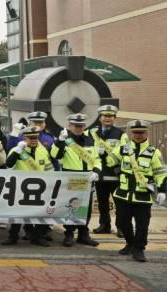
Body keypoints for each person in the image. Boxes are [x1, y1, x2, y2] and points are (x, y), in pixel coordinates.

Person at [108, 120, 166, 262]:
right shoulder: (124, 148)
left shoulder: (154, 152)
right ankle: (130, 243)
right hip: (123, 194)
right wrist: (117, 169)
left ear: (147, 133)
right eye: (135, 132)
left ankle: (139, 249)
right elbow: (110, 160)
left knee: (142, 225)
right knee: (122, 222)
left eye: (141, 132)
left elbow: (161, 173)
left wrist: (162, 190)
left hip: (143, 196)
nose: (138, 135)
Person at [51, 114, 101, 247]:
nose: (78, 128)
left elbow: (97, 159)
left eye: (81, 126)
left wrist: (97, 171)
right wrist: (60, 141)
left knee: (86, 208)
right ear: (70, 126)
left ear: (84, 126)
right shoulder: (65, 139)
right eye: (75, 125)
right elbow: (55, 155)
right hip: (72, 178)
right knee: (72, 206)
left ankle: (83, 234)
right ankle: (69, 234)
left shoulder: (90, 140)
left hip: (88, 178)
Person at [3, 126, 55, 247]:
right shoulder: (16, 150)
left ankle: (38, 237)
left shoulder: (42, 151)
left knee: (41, 213)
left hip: (40, 188)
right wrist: (17, 151)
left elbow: (49, 169)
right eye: (30, 138)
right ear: (24, 138)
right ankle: (13, 236)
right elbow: (8, 165)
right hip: (20, 188)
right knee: (17, 214)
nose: (33, 140)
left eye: (35, 138)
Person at [87, 105, 127, 236]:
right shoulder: (92, 132)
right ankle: (104, 225)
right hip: (98, 173)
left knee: (119, 203)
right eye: (105, 116)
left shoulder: (121, 134)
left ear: (114, 118)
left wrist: (107, 156)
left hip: (115, 173)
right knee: (102, 202)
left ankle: (121, 227)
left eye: (110, 116)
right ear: (100, 118)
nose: (108, 118)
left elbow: (123, 152)